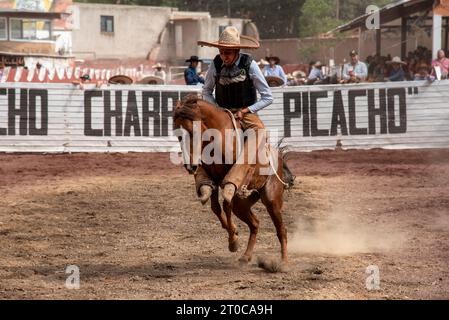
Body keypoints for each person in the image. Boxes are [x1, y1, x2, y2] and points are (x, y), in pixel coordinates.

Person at [197, 26, 273, 203]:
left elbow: (268, 96)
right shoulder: (215, 65)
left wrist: (246, 111)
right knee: (199, 133)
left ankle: (238, 179)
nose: (224, 56)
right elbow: (207, 91)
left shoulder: (250, 65)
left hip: (245, 112)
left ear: (237, 51)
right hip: (222, 111)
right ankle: (203, 177)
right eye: (222, 52)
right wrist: (217, 109)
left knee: (259, 132)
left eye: (228, 52)